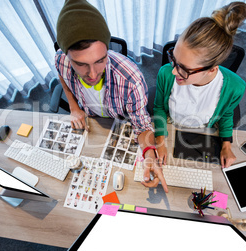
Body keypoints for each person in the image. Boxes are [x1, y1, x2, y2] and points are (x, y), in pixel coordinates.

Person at [54, 0, 168, 192]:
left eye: (100, 60)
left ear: (107, 49)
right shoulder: (61, 59)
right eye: (81, 64)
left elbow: (141, 125)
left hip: (120, 121)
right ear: (67, 55)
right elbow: (61, 74)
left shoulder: (132, 79)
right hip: (92, 123)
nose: (92, 74)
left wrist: (149, 154)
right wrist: (73, 106)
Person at [152, 2, 246, 177]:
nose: (174, 71)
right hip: (170, 126)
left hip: (203, 132)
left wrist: (226, 145)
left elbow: (227, 115)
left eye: (184, 68)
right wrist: (160, 139)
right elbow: (158, 107)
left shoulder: (235, 87)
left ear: (212, 69)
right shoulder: (166, 74)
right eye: (173, 58)